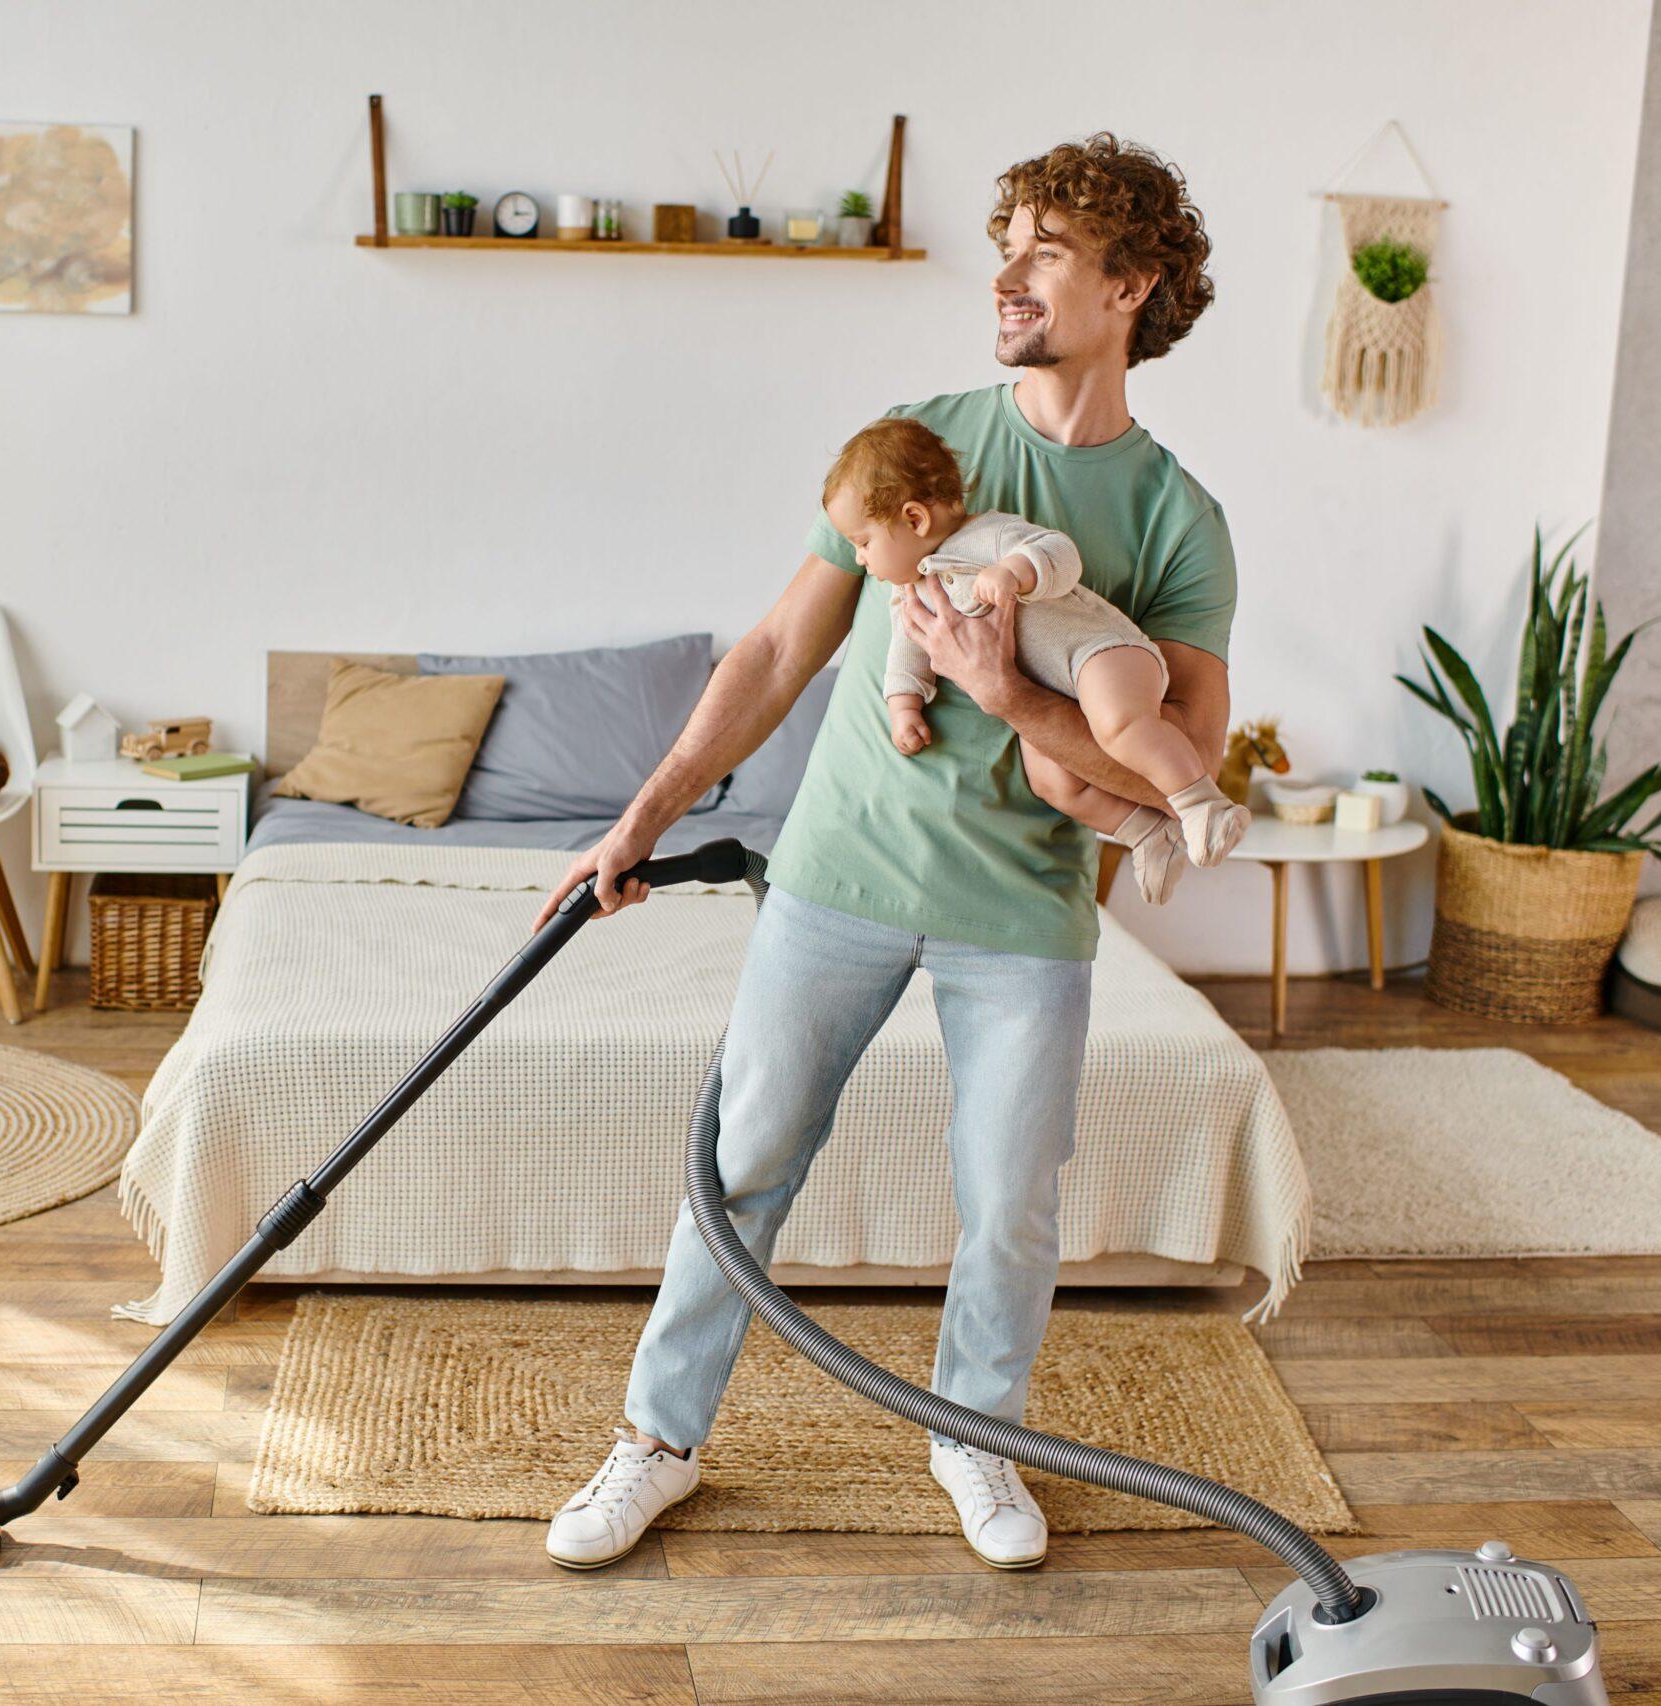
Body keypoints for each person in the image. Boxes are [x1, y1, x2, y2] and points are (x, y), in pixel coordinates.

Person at [530, 133, 1236, 1573]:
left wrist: (1009, 695)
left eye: (1046, 250)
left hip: (1026, 907)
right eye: (1009, 242)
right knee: (745, 1159)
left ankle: (979, 1432)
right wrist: (647, 811)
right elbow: (784, 643)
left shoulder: (1178, 520)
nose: (1008, 272)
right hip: (841, 874)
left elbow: (1183, 768)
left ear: (1132, 286)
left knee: (1013, 1198)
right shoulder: (920, 442)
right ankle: (656, 1441)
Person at [819, 416, 1248, 904]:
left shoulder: (988, 535)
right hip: (1051, 693)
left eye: (863, 542)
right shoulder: (910, 595)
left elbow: (1059, 553)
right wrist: (904, 707)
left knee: (1120, 726)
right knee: (1053, 784)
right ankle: (1149, 834)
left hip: (1100, 654)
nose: (859, 559)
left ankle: (1202, 804)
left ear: (915, 519)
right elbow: (908, 650)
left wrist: (1015, 572)